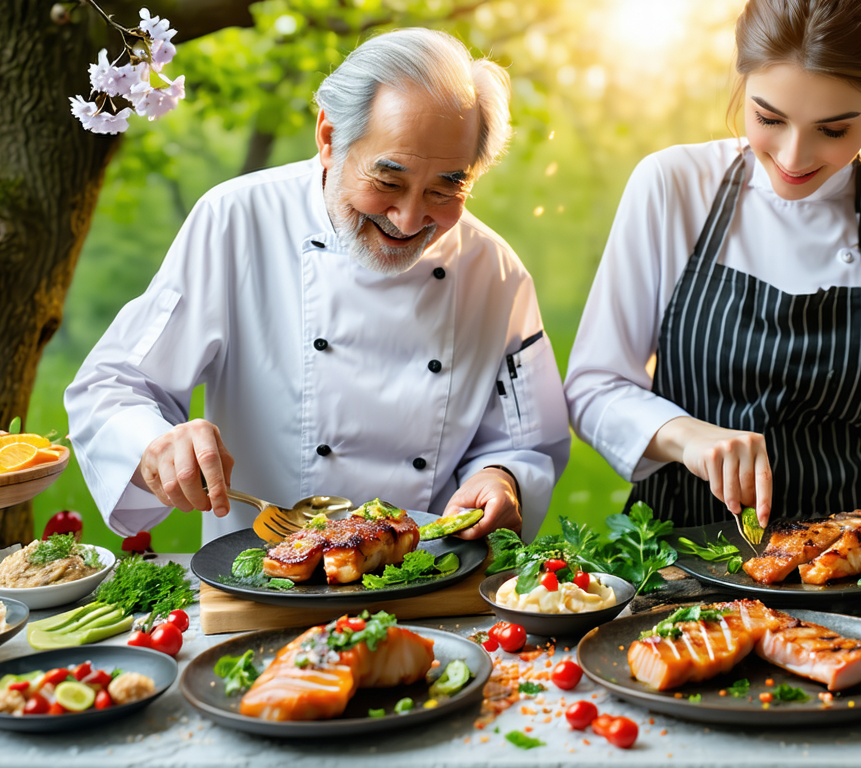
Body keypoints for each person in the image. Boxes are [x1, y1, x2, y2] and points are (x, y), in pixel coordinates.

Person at [66, 28, 570, 545]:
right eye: (388, 182)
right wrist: (157, 443)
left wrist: (500, 479)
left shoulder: (496, 271)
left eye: (446, 188)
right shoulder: (237, 220)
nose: (410, 217)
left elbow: (526, 444)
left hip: (431, 585)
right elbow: (112, 387)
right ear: (329, 138)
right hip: (263, 580)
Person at [563, 0, 861, 544]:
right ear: (742, 81)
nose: (795, 157)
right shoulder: (669, 186)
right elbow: (593, 385)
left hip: (855, 551)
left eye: (834, 130)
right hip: (676, 544)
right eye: (769, 119)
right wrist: (686, 437)